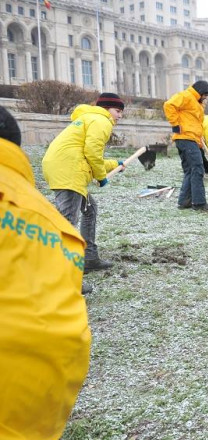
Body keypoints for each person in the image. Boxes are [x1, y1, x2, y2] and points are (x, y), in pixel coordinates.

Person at [0, 106, 92, 440]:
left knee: (85, 209)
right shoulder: (55, 227)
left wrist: (103, 169)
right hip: (46, 401)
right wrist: (102, 171)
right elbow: (94, 153)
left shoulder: (88, 121)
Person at [42, 92, 125, 284]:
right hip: (69, 171)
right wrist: (102, 178)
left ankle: (89, 258)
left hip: (65, 167)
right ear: (106, 109)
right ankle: (64, 278)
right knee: (67, 223)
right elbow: (92, 152)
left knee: (90, 209)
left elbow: (87, 155)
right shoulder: (101, 121)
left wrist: (115, 164)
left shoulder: (88, 119)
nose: (119, 116)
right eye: (117, 111)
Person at [164, 80, 208, 211]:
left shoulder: (197, 103)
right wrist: (175, 124)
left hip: (192, 139)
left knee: (190, 170)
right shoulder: (186, 96)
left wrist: (199, 142)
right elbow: (168, 105)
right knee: (198, 168)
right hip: (186, 137)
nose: (206, 98)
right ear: (199, 92)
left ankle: (184, 202)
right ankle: (199, 203)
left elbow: (194, 123)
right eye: (205, 95)